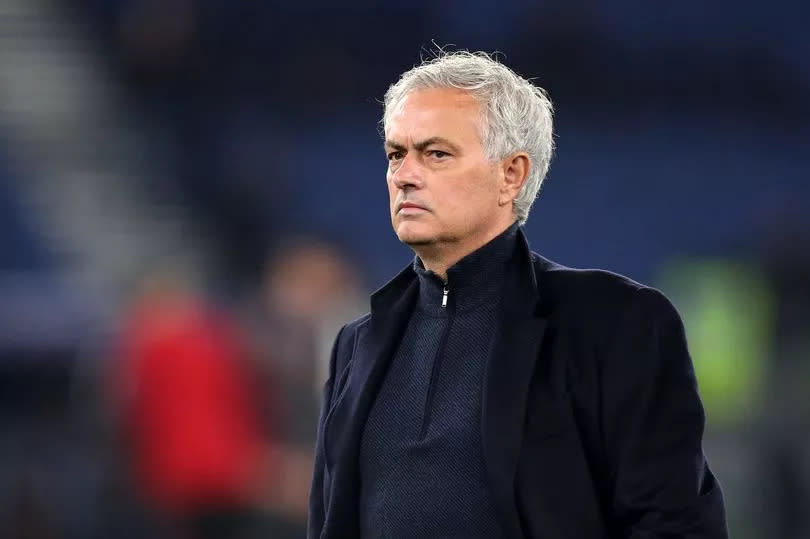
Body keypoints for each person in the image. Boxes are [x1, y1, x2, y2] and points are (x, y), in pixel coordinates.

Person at [308, 51, 728, 538]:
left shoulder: (615, 323)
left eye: (435, 154)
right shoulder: (356, 345)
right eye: (396, 154)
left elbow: (673, 524)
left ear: (512, 174)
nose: (404, 175)